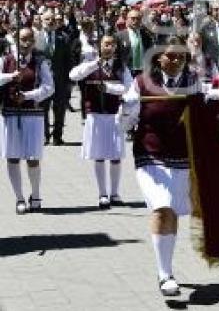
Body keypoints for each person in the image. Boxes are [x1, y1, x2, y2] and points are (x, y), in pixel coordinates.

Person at [122, 36, 201, 297]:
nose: (176, 60)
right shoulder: (141, 83)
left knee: (172, 211)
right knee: (162, 207)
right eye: (170, 55)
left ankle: (166, 267)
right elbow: (123, 125)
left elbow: (208, 112)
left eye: (180, 55)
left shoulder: (194, 83)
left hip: (181, 156)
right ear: (158, 57)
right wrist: (126, 110)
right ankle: (164, 274)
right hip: (150, 155)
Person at [69, 34, 133, 209]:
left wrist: (109, 88)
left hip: (114, 114)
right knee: (98, 155)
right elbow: (74, 75)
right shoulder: (90, 64)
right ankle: (102, 193)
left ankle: (115, 193)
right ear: (99, 46)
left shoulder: (121, 67)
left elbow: (128, 88)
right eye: (106, 44)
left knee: (115, 156)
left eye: (112, 44)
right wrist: (93, 64)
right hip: (95, 114)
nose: (109, 47)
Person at [0, 28, 54, 214]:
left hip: (33, 114)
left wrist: (29, 96)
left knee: (33, 158)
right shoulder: (6, 59)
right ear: (16, 39)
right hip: (11, 113)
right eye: (23, 39)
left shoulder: (40, 61)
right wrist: (9, 77)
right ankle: (19, 198)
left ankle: (36, 194)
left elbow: (49, 87)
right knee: (13, 157)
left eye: (30, 39)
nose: (26, 42)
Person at [40, 11, 74, 145]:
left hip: (60, 79)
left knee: (59, 109)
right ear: (42, 21)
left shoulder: (63, 37)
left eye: (52, 19)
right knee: (43, 108)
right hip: (43, 80)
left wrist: (70, 80)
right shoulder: (37, 38)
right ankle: (44, 135)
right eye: (47, 19)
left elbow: (69, 60)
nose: (50, 22)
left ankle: (57, 136)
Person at [117, 9, 155, 77]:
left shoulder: (146, 35)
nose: (136, 21)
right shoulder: (119, 36)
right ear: (127, 19)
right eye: (133, 18)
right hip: (127, 72)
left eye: (138, 19)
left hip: (143, 71)